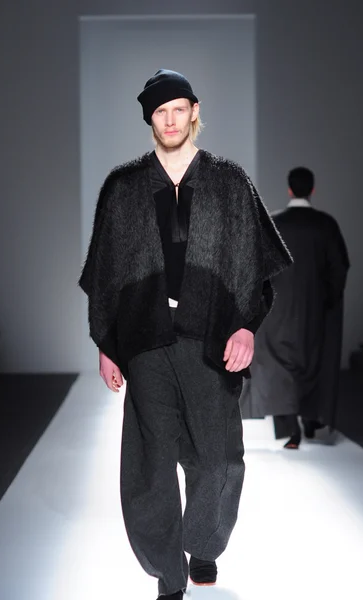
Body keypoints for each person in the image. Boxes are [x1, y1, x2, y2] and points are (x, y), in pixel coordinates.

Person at [79, 69, 292, 599]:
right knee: (151, 465)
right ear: (149, 118)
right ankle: (168, 577)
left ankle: (203, 546)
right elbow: (106, 271)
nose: (170, 120)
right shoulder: (123, 186)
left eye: (179, 108)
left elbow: (253, 266)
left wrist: (245, 325)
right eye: (159, 111)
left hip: (210, 337)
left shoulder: (228, 180)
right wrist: (107, 344)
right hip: (146, 340)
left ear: (195, 111)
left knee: (217, 459)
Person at [240, 167, 350, 449]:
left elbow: (257, 267)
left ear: (289, 189)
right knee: (312, 361)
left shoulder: (274, 223)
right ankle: (311, 420)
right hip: (313, 309)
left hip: (278, 308)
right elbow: (339, 268)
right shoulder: (325, 225)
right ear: (311, 190)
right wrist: (327, 299)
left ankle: (290, 430)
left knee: (278, 364)